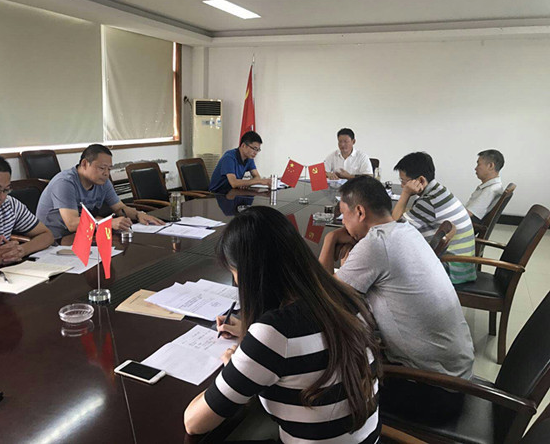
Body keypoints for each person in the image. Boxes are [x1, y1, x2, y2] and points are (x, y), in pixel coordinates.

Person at [184, 206, 381, 443]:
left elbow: (194, 423)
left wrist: (236, 369)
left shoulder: (275, 334)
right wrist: (250, 339)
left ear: (249, 275)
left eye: (234, 273)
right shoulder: (347, 298)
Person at [319, 177, 474, 379]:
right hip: (454, 369)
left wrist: (330, 239)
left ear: (360, 212)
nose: (343, 223)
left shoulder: (377, 243)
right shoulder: (405, 230)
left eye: (343, 215)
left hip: (430, 381)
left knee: (333, 365)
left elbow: (325, 296)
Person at [36, 144, 163, 242]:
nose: (106, 173)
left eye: (109, 169)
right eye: (102, 168)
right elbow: (72, 223)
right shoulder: (65, 182)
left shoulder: (103, 181)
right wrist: (107, 223)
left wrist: (139, 214)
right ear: (84, 164)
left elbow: (119, 208)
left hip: (84, 235)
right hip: (55, 240)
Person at [392, 152, 476, 284]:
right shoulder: (439, 191)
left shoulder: (429, 202)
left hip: (451, 270)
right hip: (462, 266)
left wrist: (406, 194)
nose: (403, 186)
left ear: (420, 180)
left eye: (404, 181)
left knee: (391, 258)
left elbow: (393, 227)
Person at [465, 149, 504, 224]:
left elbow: (469, 214)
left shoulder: (491, 190)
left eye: (478, 164)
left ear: (490, 166)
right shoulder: (494, 187)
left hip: (465, 225)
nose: (475, 168)